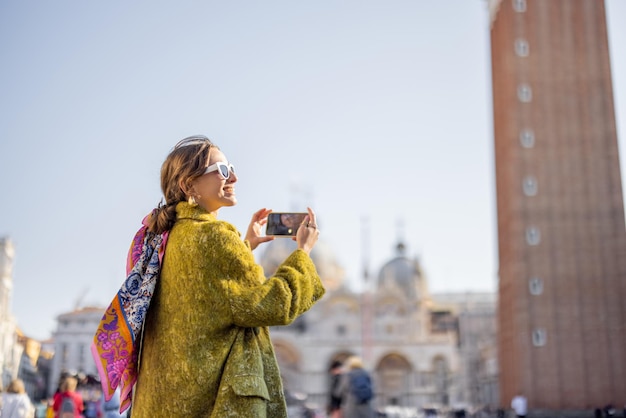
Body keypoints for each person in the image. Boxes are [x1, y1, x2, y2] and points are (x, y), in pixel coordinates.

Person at [92, 135, 325, 417]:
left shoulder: (166, 238)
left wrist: (245, 246)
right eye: (223, 171)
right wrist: (303, 253)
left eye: (232, 167)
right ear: (189, 185)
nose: (234, 177)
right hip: (211, 403)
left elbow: (207, 294)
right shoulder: (214, 237)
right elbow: (272, 305)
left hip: (164, 401)